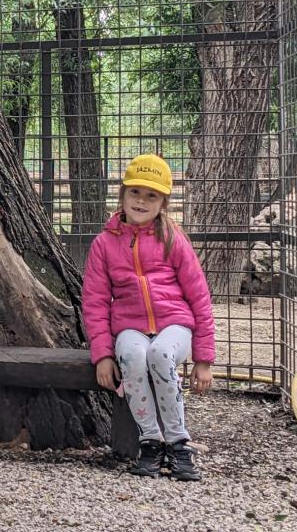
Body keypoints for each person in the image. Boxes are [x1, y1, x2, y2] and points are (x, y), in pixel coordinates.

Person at [82, 153, 215, 481]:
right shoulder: (104, 244)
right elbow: (95, 302)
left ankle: (178, 442)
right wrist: (102, 355)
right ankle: (151, 441)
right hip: (130, 327)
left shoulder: (173, 239)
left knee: (159, 354)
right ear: (122, 194)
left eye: (151, 195)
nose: (141, 201)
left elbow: (199, 297)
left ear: (163, 202)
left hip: (174, 325)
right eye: (135, 192)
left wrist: (204, 360)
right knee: (132, 356)